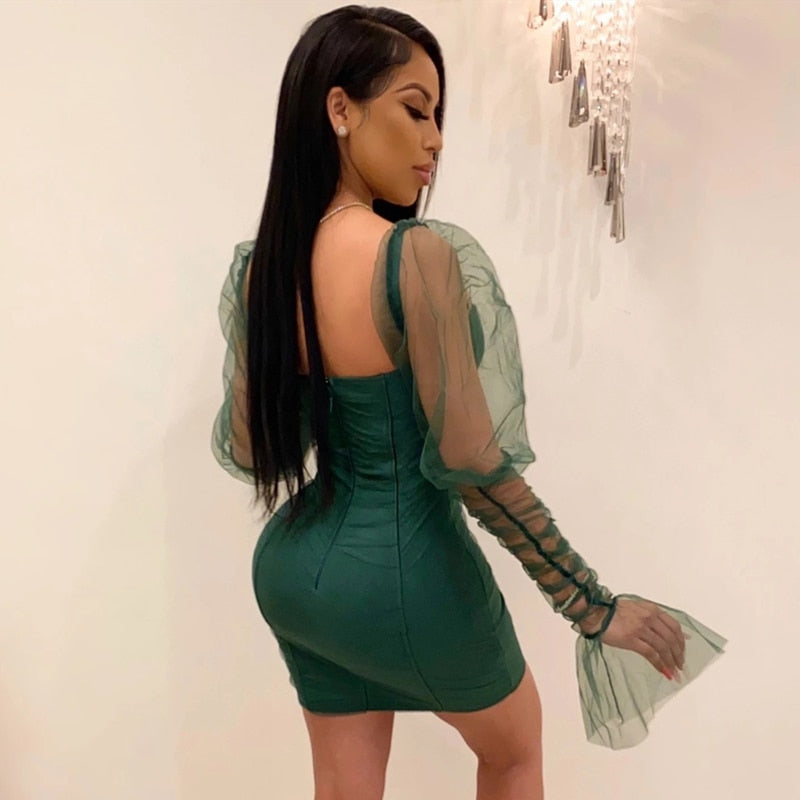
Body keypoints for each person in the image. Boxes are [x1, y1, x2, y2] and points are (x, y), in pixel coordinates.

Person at [212, 5, 727, 798]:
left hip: (296, 577)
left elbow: (252, 451)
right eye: (415, 110)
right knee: (513, 752)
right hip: (409, 570)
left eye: (438, 116)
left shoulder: (264, 269)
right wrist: (592, 607)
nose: (436, 141)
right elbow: (473, 466)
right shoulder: (413, 258)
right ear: (340, 109)